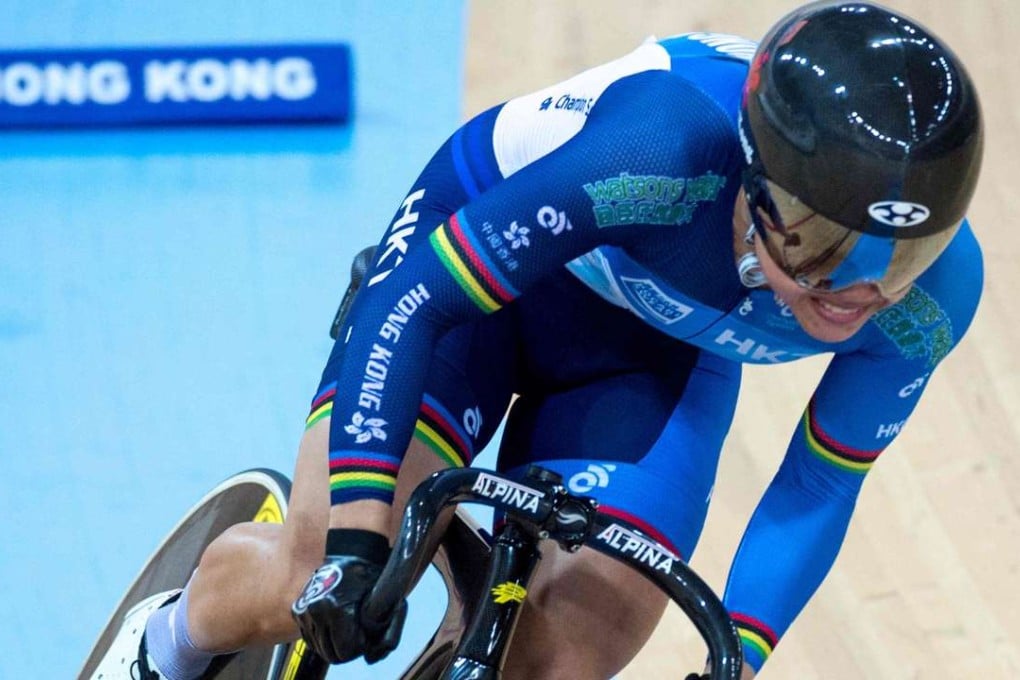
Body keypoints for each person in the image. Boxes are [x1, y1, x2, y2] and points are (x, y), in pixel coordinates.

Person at [94, 1, 984, 678]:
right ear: (754, 185)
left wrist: (736, 658)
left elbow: (818, 487)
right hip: (485, 288)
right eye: (820, 249)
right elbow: (417, 300)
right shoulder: (661, 152)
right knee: (316, 566)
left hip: (647, 358)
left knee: (564, 658)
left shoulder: (935, 301)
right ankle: (167, 639)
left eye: (907, 257)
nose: (859, 293)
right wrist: (361, 544)